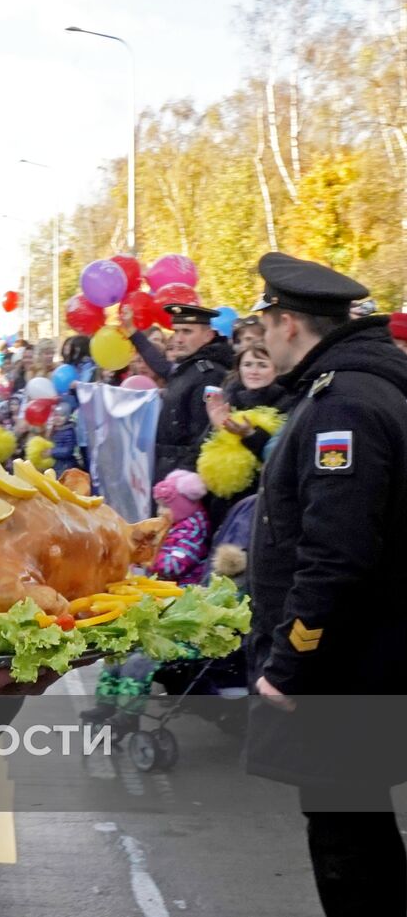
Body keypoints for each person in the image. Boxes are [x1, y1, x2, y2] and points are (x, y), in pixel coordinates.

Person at [244, 251, 407, 916]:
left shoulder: (345, 403)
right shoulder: (366, 382)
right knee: (362, 827)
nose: (257, 341)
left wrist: (289, 662)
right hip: (366, 655)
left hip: (344, 667)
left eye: (263, 325)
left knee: (347, 841)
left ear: (287, 323)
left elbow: (335, 553)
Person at [128, 304, 234, 481]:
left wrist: (184, 476)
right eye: (176, 332)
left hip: (183, 474)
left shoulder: (210, 374)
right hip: (170, 466)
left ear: (208, 335)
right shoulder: (188, 367)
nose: (178, 339)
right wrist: (133, 333)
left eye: (187, 332)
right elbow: (160, 365)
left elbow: (204, 433)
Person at [197, 343, 291, 504]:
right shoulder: (230, 400)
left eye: (262, 365)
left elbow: (282, 456)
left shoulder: (287, 403)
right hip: (221, 499)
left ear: (277, 368)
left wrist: (251, 435)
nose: (253, 371)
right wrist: (217, 428)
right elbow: (202, 448)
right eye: (247, 365)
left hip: (259, 498)